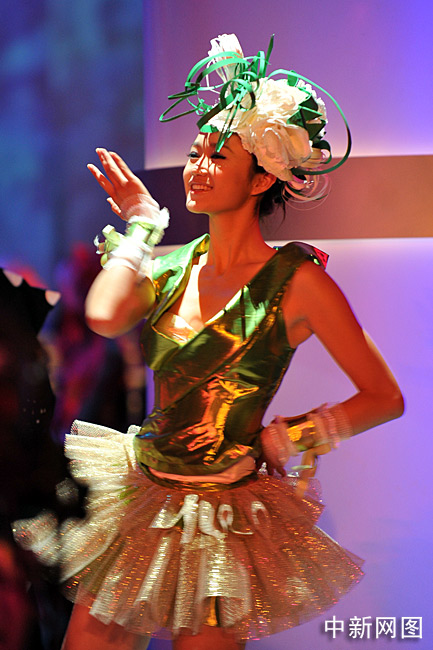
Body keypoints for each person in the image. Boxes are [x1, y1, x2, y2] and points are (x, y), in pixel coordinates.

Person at [16, 35, 403, 650]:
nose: (197, 168)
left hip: (226, 518)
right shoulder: (172, 268)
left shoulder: (298, 282)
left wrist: (291, 435)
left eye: (217, 157)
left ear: (261, 178)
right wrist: (142, 224)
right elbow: (103, 315)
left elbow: (384, 397)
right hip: (141, 497)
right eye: (195, 152)